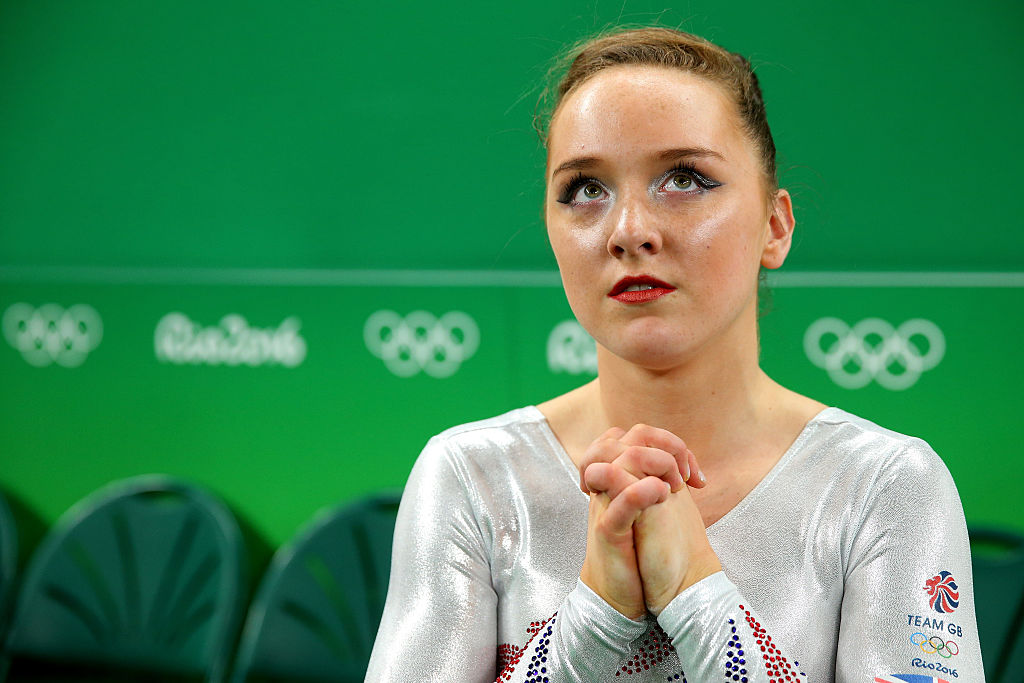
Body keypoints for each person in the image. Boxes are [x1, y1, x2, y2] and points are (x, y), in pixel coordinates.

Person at [365, 26, 983, 682]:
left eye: (684, 178)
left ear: (775, 226)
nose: (630, 230)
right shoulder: (470, 478)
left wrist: (697, 590)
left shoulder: (887, 484)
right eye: (584, 189)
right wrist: (593, 617)